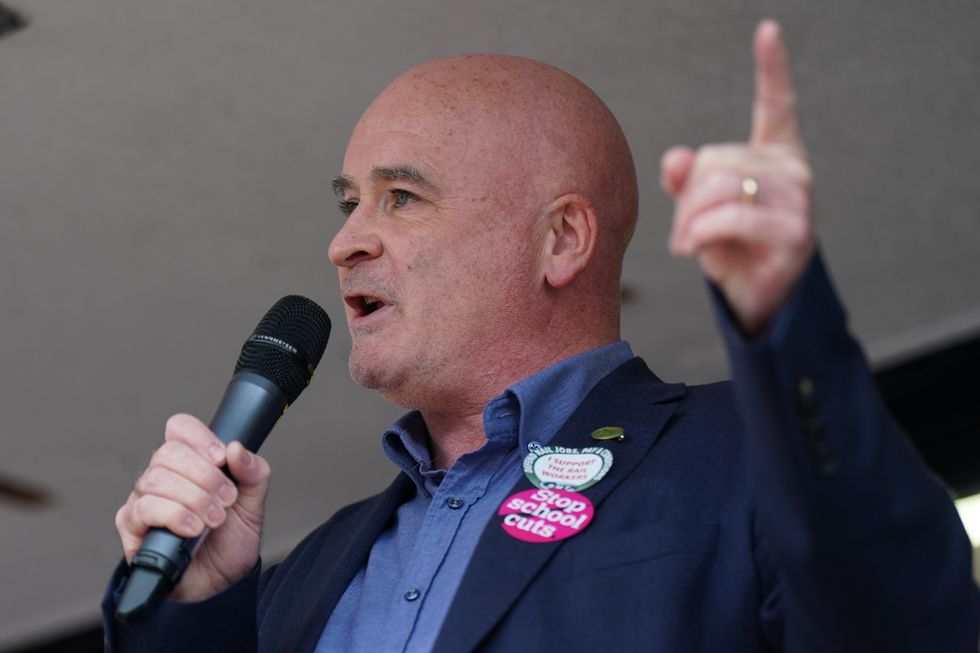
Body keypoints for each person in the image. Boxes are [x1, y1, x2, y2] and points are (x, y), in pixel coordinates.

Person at [103, 20, 979, 651]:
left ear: (561, 239)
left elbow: (907, 618)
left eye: (401, 197)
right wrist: (194, 613)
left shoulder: (743, 456)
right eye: (349, 202)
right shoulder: (311, 567)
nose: (346, 240)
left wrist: (797, 333)